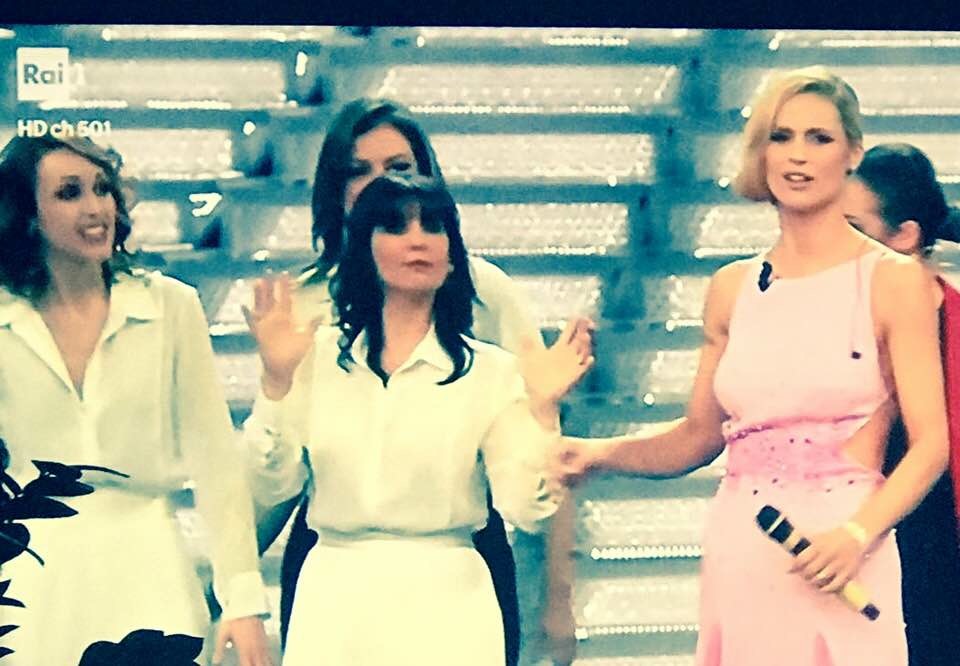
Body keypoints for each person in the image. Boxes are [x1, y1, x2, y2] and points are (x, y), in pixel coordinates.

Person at [555, 66, 949, 665]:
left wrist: (856, 533)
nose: (798, 155)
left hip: (842, 552)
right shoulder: (730, 288)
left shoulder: (894, 281)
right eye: (780, 136)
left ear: (852, 152)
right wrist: (596, 454)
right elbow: (697, 437)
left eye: (819, 137)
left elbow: (932, 444)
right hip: (741, 548)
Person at [266, 97, 577, 665]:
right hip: (332, 562)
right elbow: (272, 478)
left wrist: (557, 598)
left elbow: (533, 470)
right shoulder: (302, 306)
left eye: (399, 169)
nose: (378, 185)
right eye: (358, 171)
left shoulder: (486, 297)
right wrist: (234, 586)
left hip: (455, 557)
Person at [0, 135, 273, 665]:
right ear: (28, 216)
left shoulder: (170, 307)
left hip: (150, 569)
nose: (95, 207)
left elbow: (216, 463)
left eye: (102, 189)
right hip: (33, 582)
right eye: (69, 193)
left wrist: (242, 600)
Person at [842, 142, 960, 666]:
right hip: (847, 549)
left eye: (852, 229)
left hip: (933, 558)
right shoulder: (826, 320)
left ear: (906, 235)